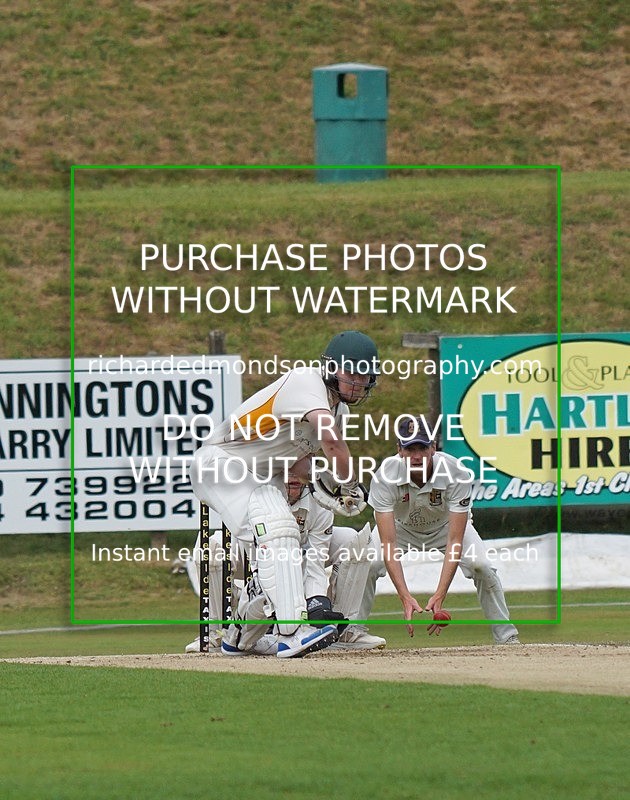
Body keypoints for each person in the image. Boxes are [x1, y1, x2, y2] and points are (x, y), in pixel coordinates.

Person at [189, 330, 380, 658]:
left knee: (280, 539)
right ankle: (294, 631)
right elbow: (332, 442)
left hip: (258, 477)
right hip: (218, 463)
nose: (357, 383)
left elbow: (300, 460)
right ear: (331, 369)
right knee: (278, 528)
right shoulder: (306, 382)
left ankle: (239, 635)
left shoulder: (339, 411)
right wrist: (349, 484)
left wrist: (328, 490)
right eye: (351, 373)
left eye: (364, 376)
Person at [367, 415, 520, 644]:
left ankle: (506, 638)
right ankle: (351, 633)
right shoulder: (384, 477)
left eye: (422, 447)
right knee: (367, 563)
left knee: (482, 566)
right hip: (401, 529)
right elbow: (388, 543)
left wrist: (440, 594)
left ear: (434, 447)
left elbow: (455, 541)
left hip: (445, 527)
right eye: (410, 449)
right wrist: (404, 596)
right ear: (399, 450)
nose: (416, 456)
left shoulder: (456, 472)